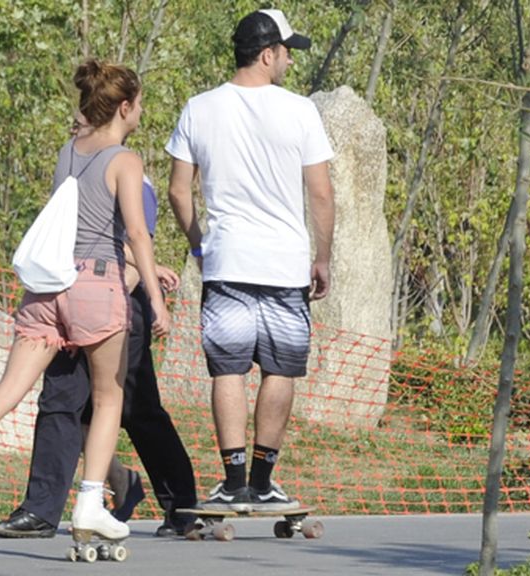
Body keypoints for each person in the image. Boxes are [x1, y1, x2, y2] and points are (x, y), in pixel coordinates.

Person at [0, 59, 170, 543]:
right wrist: (155, 295)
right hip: (96, 286)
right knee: (109, 397)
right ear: (125, 107)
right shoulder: (126, 161)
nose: (141, 112)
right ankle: (90, 503)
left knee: (8, 389)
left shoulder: (68, 151)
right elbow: (134, 231)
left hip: (47, 290)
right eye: (140, 105)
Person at [0, 121, 198, 540]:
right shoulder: (70, 169)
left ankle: (182, 507)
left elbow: (137, 253)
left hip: (116, 306)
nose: (74, 124)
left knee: (139, 412)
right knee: (59, 403)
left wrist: (132, 307)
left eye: (84, 117)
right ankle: (40, 511)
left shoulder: (134, 177)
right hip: (69, 301)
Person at [165, 9, 335, 512]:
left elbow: (179, 190)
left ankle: (233, 480)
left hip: (228, 262)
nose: (288, 61)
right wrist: (322, 257)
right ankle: (263, 482)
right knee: (280, 370)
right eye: (285, 52)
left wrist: (200, 245)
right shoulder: (301, 111)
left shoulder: (199, 108)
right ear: (267, 54)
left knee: (230, 370)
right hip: (284, 264)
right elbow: (321, 193)